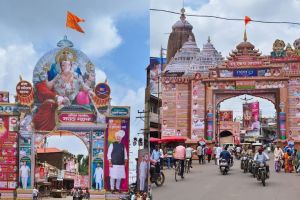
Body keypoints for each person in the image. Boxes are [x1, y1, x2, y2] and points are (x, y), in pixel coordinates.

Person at [33, 52, 94, 131]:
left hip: (74, 103)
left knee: (82, 95)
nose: (65, 67)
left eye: (68, 65)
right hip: (59, 103)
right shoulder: (58, 76)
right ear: (60, 66)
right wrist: (45, 76)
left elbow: (83, 86)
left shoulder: (76, 76)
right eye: (63, 65)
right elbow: (49, 86)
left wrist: (89, 90)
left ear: (71, 65)